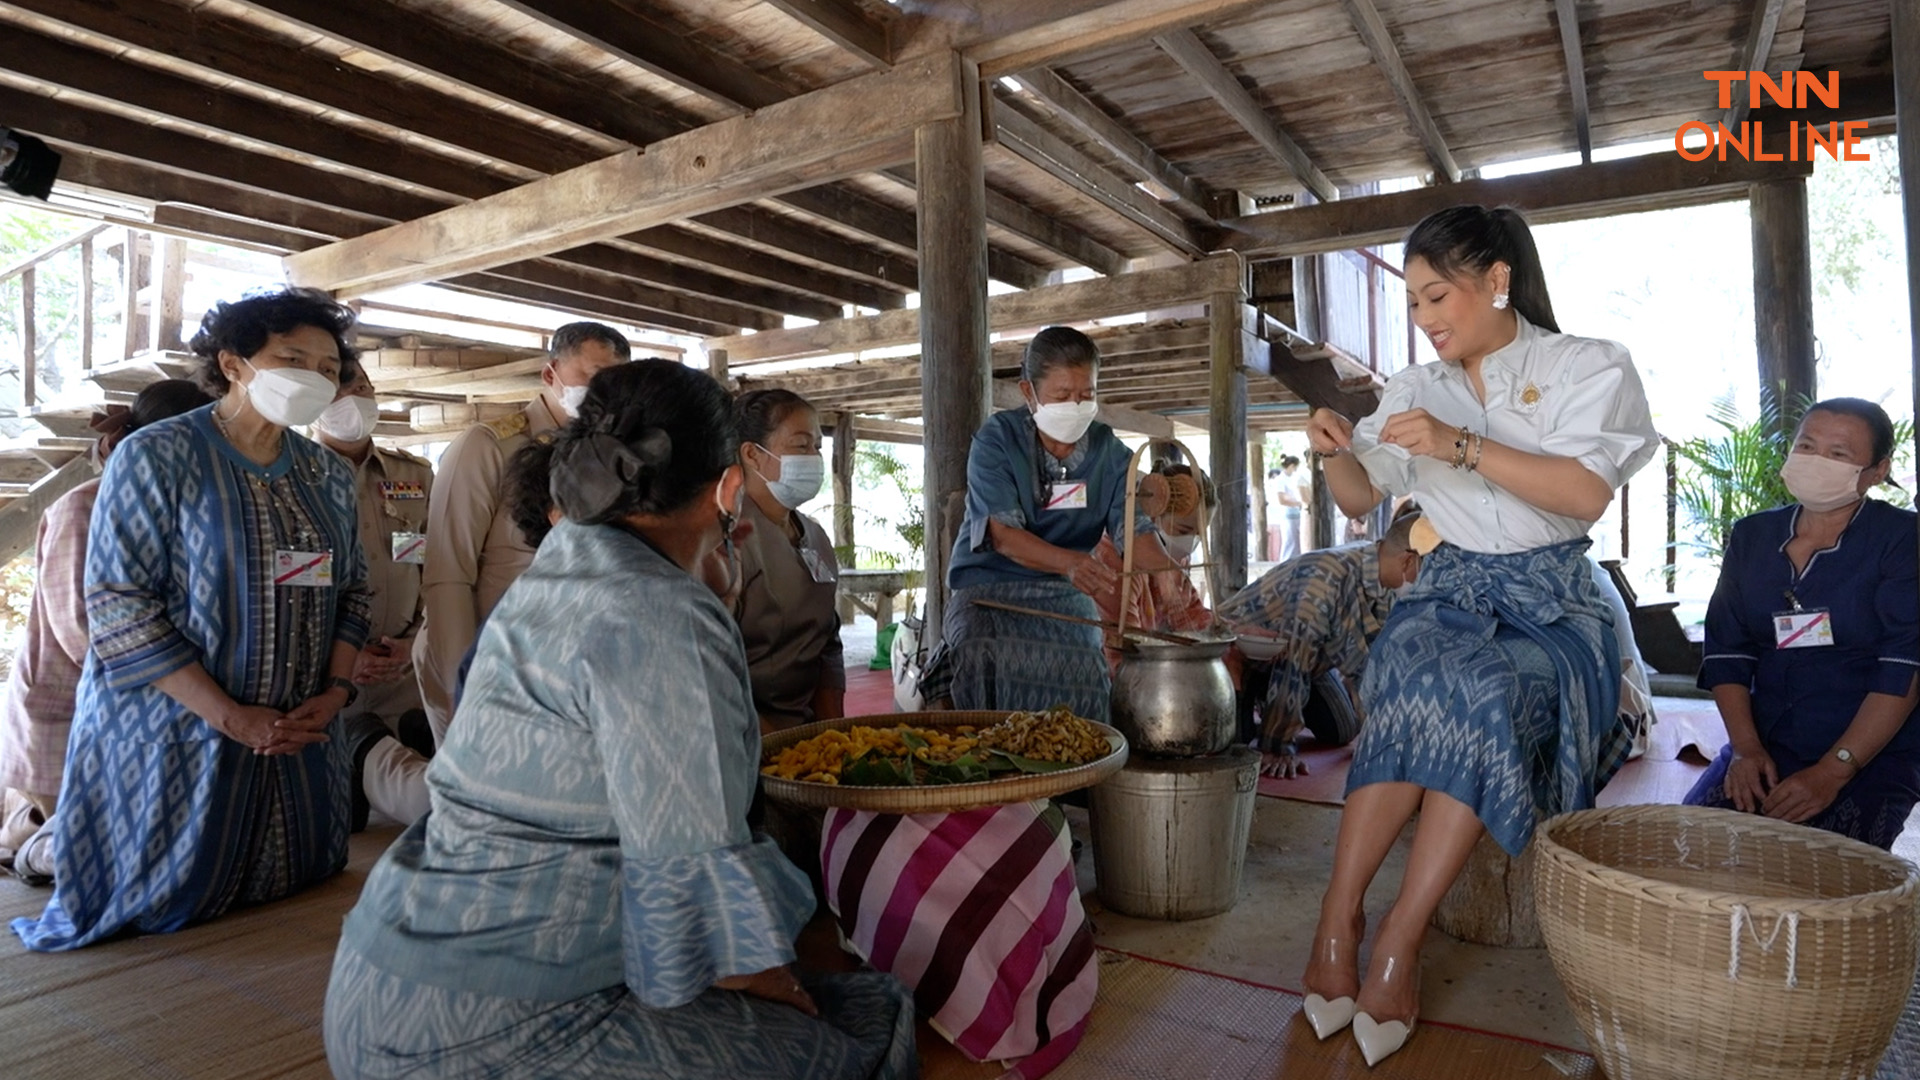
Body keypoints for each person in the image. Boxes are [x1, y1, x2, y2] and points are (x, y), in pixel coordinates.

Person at [324, 360, 916, 1080]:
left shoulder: (560, 567)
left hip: (379, 976)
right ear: (731, 487)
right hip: (485, 1031)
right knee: (868, 1023)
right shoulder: (661, 610)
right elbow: (692, 880)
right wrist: (770, 980)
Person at [1296, 205, 1657, 1065]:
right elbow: (1357, 497)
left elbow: (1582, 496)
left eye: (1435, 295)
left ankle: (1398, 940)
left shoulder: (1586, 365)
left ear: (1497, 279)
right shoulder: (1417, 387)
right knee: (1411, 682)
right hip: (1448, 592)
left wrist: (1462, 446)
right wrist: (1331, 450)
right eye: (1414, 302)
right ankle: (1338, 921)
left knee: (1481, 691)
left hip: (1554, 606)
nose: (1424, 320)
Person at [12, 289, 372, 950]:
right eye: (292, 357)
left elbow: (353, 590)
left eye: (327, 367)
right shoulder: (158, 455)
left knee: (298, 879)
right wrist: (231, 716)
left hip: (298, 735)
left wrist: (336, 692)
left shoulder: (324, 474)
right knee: (163, 895)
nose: (313, 377)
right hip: (177, 726)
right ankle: (34, 847)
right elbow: (121, 605)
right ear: (234, 362)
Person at [1683, 399, 1920, 849]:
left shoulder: (1903, 540)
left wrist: (1834, 771)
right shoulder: (1753, 536)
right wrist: (1746, 749)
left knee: (1823, 880)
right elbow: (1727, 651)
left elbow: (1903, 664)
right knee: (1692, 850)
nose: (1815, 462)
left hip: (1871, 751)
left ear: (1876, 471)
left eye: (1838, 454)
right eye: (1806, 446)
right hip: (1767, 741)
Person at [0, 379, 212, 879]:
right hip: (68, 708)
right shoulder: (81, 507)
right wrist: (177, 677)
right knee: (93, 856)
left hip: (145, 698)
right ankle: (28, 848)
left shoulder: (183, 505)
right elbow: (80, 629)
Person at [920, 325, 1174, 721]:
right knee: (977, 646)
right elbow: (1002, 536)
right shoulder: (997, 441)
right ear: (1029, 393)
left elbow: (1135, 531)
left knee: (1087, 657)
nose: (1075, 405)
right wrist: (1071, 563)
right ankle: (989, 771)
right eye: (1062, 395)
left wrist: (1169, 576)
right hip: (988, 589)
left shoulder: (1110, 454)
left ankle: (1076, 775)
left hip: (1060, 593)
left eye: (1086, 395)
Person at [413, 321, 628, 744]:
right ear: (551, 375)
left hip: (561, 661)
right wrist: (464, 677)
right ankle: (375, 762)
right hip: (485, 653)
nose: (608, 392)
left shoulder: (607, 456)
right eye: (595, 376)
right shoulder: (489, 446)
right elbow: (449, 575)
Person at [309, 368, 436, 831]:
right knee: (346, 818)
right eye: (340, 390)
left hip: (403, 671)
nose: (355, 398)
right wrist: (343, 654)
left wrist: (416, 641)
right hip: (327, 676)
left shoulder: (414, 475)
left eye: (362, 387)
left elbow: (436, 569)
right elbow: (285, 583)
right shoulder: (295, 475)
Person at [1217, 511, 1425, 780]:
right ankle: (1255, 708)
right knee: (1237, 745)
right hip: (1243, 658)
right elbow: (1293, 659)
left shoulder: (1383, 576)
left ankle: (1268, 708)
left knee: (1343, 729)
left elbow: (1375, 664)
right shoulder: (1325, 576)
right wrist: (1278, 746)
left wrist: (1385, 737)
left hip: (1311, 663)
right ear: (1408, 560)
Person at [732, 389, 844, 731]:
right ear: (752, 454)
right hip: (744, 728)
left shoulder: (816, 536)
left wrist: (830, 735)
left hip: (809, 729)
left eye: (817, 448)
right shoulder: (727, 540)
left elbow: (828, 640)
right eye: (800, 445)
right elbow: (710, 665)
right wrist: (771, 742)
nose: (812, 457)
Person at [1090, 460, 1215, 642]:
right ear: (1151, 517)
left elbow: (1189, 615)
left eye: (1200, 534)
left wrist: (1234, 632)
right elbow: (1122, 646)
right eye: (1183, 531)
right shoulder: (1115, 563)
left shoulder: (1174, 561)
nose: (1191, 541)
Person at [1275, 456, 1308, 559]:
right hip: (1287, 515)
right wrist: (1299, 503)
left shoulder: (1294, 478)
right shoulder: (1280, 479)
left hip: (1297, 513)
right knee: (1289, 541)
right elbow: (1282, 500)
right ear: (1292, 466)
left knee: (1298, 542)